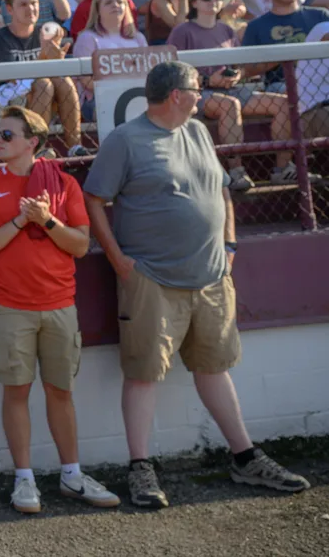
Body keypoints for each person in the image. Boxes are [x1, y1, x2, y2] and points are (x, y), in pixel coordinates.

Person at [83, 61, 311, 509]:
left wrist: (229, 245)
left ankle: (244, 457)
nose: (202, 94)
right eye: (196, 88)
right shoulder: (126, 140)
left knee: (214, 367)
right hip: (151, 278)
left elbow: (222, 190)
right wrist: (118, 259)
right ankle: (140, 468)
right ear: (176, 95)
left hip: (210, 276)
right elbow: (94, 198)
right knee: (144, 373)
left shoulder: (199, 133)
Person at [0, 106, 113, 514]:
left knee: (61, 392)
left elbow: (81, 245)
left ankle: (71, 475)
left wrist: (46, 219)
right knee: (17, 392)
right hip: (10, 308)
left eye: (8, 135)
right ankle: (25, 480)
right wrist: (17, 221)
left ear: (33, 142)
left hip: (60, 305)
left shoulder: (64, 185)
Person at [168, 0, 294, 189]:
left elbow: (239, 66)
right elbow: (174, 71)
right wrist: (208, 81)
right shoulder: (182, 31)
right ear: (194, 2)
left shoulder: (227, 29)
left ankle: (283, 169)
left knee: (282, 103)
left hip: (231, 89)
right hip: (198, 93)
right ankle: (236, 172)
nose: (213, 1)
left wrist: (237, 75)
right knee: (230, 105)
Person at [0, 0, 89, 157]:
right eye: (23, 4)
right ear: (10, 10)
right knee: (43, 84)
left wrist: (57, 61)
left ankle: (75, 147)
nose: (31, 8)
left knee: (63, 81)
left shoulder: (43, 34)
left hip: (40, 97)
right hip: (6, 103)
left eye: (34, 3)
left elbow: (51, 73)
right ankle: (36, 150)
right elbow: (13, 80)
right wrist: (45, 59)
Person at [241, 0, 329, 105]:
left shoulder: (320, 15)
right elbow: (247, 69)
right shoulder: (255, 26)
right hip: (281, 84)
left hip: (322, 80)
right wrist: (283, 56)